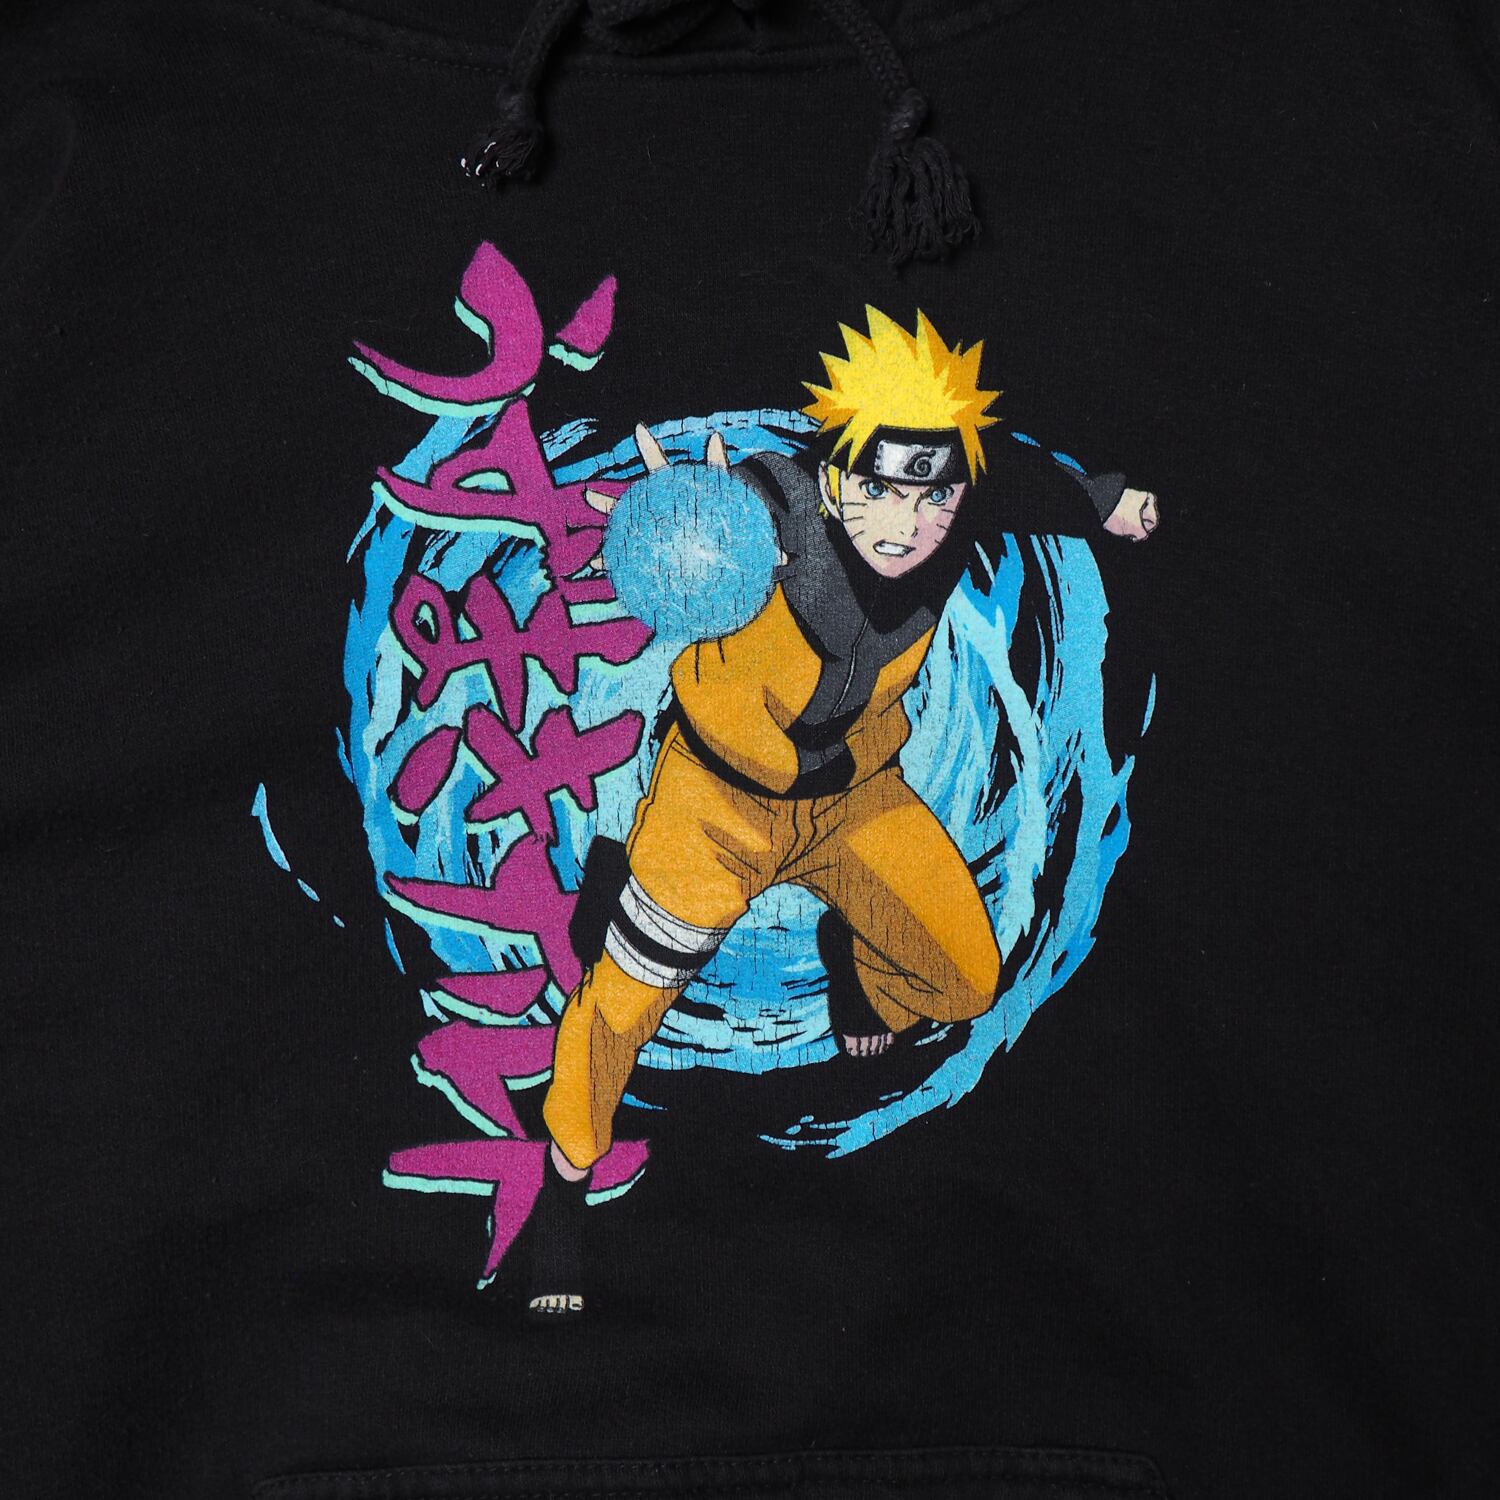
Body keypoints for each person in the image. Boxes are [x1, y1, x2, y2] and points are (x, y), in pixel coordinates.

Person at [526, 305, 1161, 1315]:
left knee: (965, 980)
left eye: (932, 492)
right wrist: (674, 522)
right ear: (832, 480)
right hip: (715, 815)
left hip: (858, 800)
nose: (904, 524)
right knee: (620, 1009)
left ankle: (857, 968)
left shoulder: (966, 504)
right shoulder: (768, 511)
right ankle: (564, 1183)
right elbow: (712, 517)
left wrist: (1109, 501)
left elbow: (1023, 481)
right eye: (876, 489)